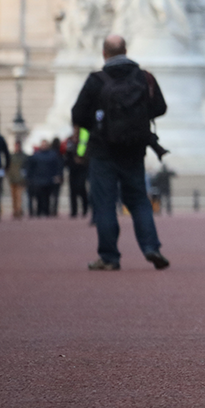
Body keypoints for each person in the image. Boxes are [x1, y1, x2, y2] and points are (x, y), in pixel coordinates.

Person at [71, 34, 170, 271]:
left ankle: (109, 257)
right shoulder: (145, 77)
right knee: (138, 200)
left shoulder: (96, 80)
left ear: (104, 54)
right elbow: (160, 108)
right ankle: (151, 247)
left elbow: (78, 115)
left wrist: (96, 123)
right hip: (134, 148)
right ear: (126, 51)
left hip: (103, 150)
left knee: (104, 203)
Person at [25, 138, 65, 217]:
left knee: (47, 197)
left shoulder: (52, 155)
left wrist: (57, 175)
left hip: (48, 180)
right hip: (38, 180)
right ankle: (40, 211)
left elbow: (57, 166)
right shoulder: (36, 155)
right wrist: (30, 178)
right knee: (39, 197)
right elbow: (31, 168)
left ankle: (46, 211)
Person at [64, 132, 90, 219]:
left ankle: (85, 209)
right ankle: (74, 211)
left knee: (82, 189)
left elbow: (87, 158)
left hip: (81, 170)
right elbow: (67, 160)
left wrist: (81, 161)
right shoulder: (70, 148)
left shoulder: (83, 146)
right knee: (73, 192)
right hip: (73, 171)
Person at [6, 139, 27, 219]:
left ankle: (18, 210)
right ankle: (15, 210)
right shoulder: (11, 156)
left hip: (20, 180)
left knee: (19, 196)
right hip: (12, 179)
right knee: (14, 196)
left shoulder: (24, 156)